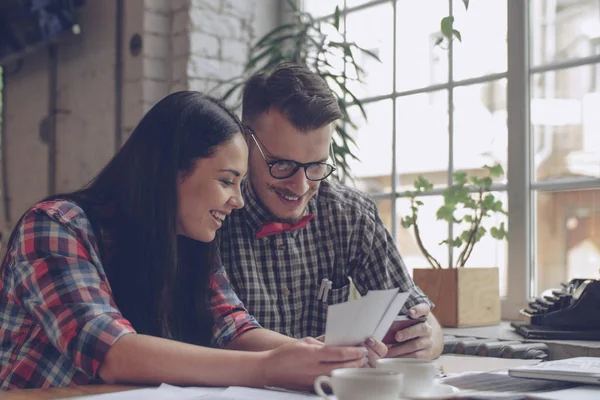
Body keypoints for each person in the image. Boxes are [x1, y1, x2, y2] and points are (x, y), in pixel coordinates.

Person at [0, 92, 378, 391]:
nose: (239, 200)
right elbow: (112, 351)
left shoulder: (189, 241)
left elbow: (234, 329)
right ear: (171, 171)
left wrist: (321, 354)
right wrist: (268, 368)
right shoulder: (55, 227)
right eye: (227, 181)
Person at [218, 63, 444, 359]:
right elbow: (218, 335)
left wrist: (427, 339)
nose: (299, 186)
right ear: (246, 141)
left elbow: (420, 318)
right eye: (281, 165)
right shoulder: (213, 217)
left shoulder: (351, 215)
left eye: (316, 166)